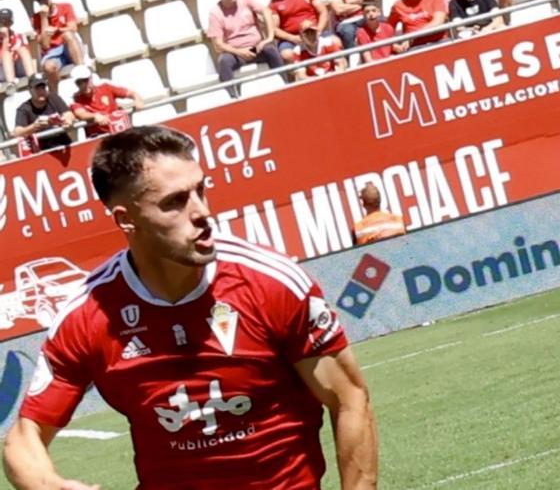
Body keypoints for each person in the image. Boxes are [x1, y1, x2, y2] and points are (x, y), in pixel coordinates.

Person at [2, 126, 379, 489]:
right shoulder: (86, 316)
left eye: (201, 190)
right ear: (125, 220)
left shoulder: (272, 283)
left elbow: (349, 398)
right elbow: (23, 438)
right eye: (175, 202)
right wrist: (50, 486)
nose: (201, 212)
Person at [207, 0, 284, 95]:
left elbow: (266, 11)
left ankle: (284, 85)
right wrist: (239, 52)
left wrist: (269, 38)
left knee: (270, 50)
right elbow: (218, 45)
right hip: (235, 54)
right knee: (224, 61)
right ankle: (232, 98)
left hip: (256, 48)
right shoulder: (215, 13)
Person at [69, 65, 144, 138]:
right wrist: (95, 116)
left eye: (85, 80)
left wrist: (137, 100)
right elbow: (80, 113)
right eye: (79, 83)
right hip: (99, 136)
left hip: (120, 130)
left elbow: (131, 93)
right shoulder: (76, 98)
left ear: (91, 78)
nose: (83, 85)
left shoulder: (105, 87)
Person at [31, 0, 84, 92]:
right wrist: (44, 19)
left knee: (67, 34)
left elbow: (73, 28)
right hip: (53, 53)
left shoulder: (65, 7)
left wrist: (57, 29)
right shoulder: (36, 18)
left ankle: (83, 73)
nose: (43, 1)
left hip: (68, 46)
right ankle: (56, 96)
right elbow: (45, 45)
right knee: (49, 67)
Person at [13, 73, 74, 152]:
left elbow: (68, 114)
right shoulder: (23, 109)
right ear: (29, 89)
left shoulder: (53, 98)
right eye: (37, 88)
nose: (41, 91)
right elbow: (17, 132)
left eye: (43, 87)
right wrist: (34, 126)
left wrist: (67, 121)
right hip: (40, 150)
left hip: (63, 143)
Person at [0, 9, 35, 91]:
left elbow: (28, 56)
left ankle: (33, 79)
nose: (4, 24)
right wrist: (5, 39)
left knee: (22, 49)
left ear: (11, 22)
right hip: (2, 72)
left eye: (7, 21)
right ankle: (11, 84)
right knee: (6, 55)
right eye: (2, 21)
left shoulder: (19, 36)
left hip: (19, 68)